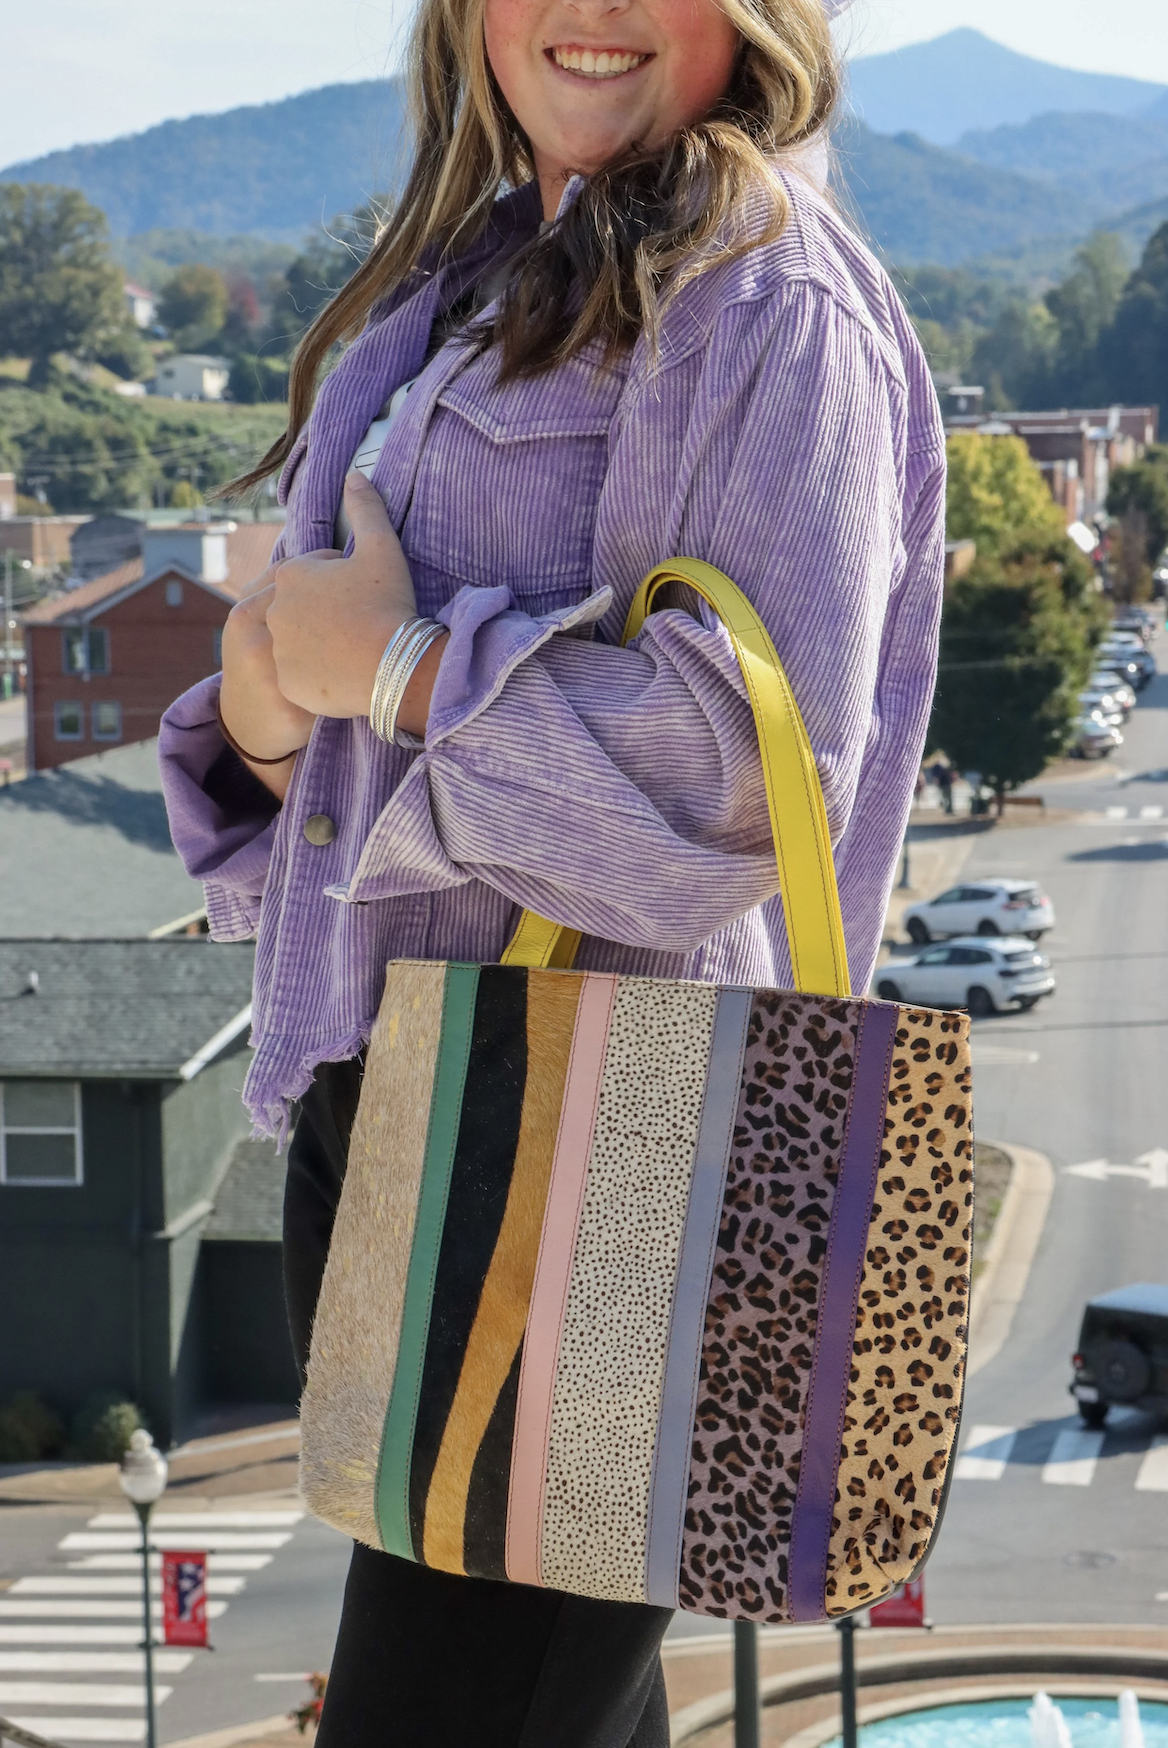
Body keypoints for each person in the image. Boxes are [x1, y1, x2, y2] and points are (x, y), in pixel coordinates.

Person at [158, 0, 946, 1738]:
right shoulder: (502, 259)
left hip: (612, 1152)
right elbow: (346, 726)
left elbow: (737, 783)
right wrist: (279, 712)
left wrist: (405, 670)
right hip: (429, 1116)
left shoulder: (762, 300)